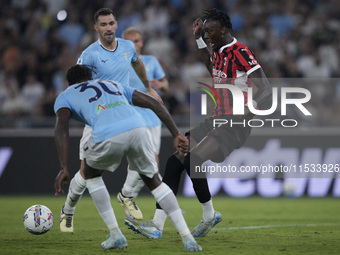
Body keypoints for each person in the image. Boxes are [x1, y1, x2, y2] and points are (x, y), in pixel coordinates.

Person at [125, 8, 272, 238]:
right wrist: (198, 40)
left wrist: (246, 113)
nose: (207, 35)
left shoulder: (241, 51)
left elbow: (266, 90)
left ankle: (208, 215)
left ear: (223, 30)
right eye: (205, 32)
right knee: (176, 161)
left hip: (235, 124)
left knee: (193, 158)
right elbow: (212, 69)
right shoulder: (220, 52)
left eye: (209, 31)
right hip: (216, 119)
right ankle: (157, 225)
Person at [54, 64, 202, 252]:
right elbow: (154, 103)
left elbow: (61, 128)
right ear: (91, 78)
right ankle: (188, 239)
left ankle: (116, 235)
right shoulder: (112, 84)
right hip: (138, 127)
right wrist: (176, 133)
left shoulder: (65, 95)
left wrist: (63, 167)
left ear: (69, 83)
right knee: (155, 182)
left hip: (107, 132)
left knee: (91, 175)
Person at [55, 8, 162, 231]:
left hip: (126, 113)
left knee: (148, 159)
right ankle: (68, 210)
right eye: (103, 25)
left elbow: (137, 62)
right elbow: (77, 84)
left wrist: (147, 87)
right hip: (99, 120)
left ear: (116, 24)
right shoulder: (90, 54)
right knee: (86, 174)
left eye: (111, 23)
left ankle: (127, 195)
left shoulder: (127, 46)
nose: (108, 28)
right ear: (96, 28)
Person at [118, 26, 169, 209]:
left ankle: (128, 197)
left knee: (146, 164)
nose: (135, 44)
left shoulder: (151, 61)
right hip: (132, 118)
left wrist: (159, 85)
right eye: (130, 41)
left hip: (153, 118)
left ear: (142, 42)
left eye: (137, 40)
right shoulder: (119, 63)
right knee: (150, 161)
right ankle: (165, 203)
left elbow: (165, 85)